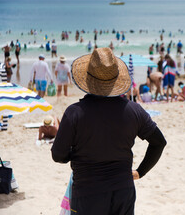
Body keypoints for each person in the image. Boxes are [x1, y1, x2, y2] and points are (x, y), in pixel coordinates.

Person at [51, 48, 166, 215]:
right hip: (123, 191)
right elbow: (159, 142)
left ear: (88, 79)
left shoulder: (74, 113)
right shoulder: (133, 110)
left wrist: (74, 155)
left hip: (87, 192)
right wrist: (141, 172)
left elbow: (58, 155)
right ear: (115, 79)